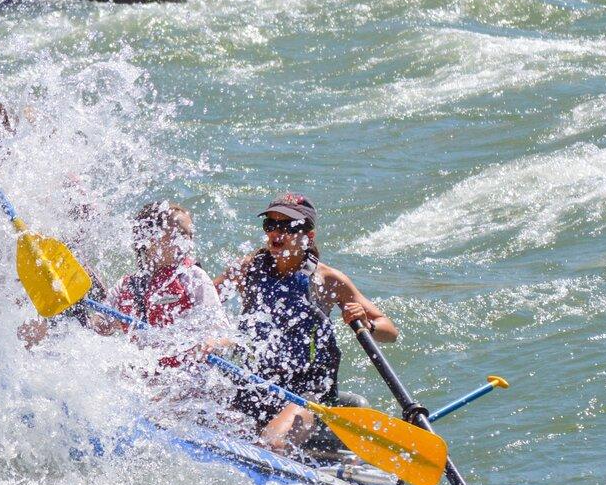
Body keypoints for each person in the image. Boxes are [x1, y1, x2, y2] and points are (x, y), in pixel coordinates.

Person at [215, 193, 397, 452]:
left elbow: (390, 331)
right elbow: (206, 303)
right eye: (271, 225)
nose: (277, 233)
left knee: (273, 445)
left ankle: (333, 424)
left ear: (308, 236)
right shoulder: (248, 268)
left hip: (307, 392)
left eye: (289, 227)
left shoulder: (328, 280)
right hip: (257, 382)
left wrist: (367, 324)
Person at [88, 201, 232, 368]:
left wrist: (210, 343)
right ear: (150, 237)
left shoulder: (193, 277)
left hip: (187, 380)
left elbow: (224, 333)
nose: (189, 241)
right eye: (181, 234)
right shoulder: (126, 285)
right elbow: (101, 326)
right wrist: (94, 321)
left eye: (190, 235)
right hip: (142, 382)